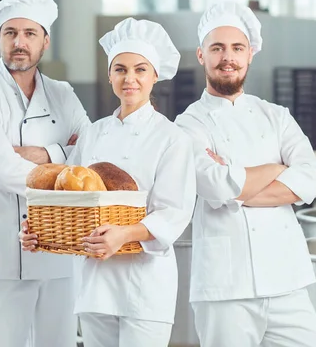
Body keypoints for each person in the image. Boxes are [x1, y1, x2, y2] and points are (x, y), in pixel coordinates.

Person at [20, 17, 197, 347]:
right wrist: (36, 229)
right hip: (94, 280)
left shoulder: (172, 138)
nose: (129, 78)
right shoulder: (94, 132)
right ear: (109, 75)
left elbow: (174, 212)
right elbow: (67, 195)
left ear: (155, 75)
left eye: (140, 69)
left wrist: (125, 234)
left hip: (145, 281)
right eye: (120, 69)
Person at [174, 2, 316, 347]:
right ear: (201, 55)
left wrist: (236, 189)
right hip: (225, 286)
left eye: (237, 48)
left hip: (286, 277)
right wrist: (278, 170)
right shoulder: (188, 123)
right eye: (217, 48)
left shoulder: (277, 116)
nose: (228, 57)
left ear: (250, 55)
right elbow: (212, 185)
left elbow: (311, 180)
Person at [0, 0, 90, 347]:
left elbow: (89, 155)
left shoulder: (63, 94)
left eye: (30, 33)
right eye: (10, 32)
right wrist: (65, 158)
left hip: (60, 253)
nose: (19, 42)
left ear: (45, 41)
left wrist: (42, 153)